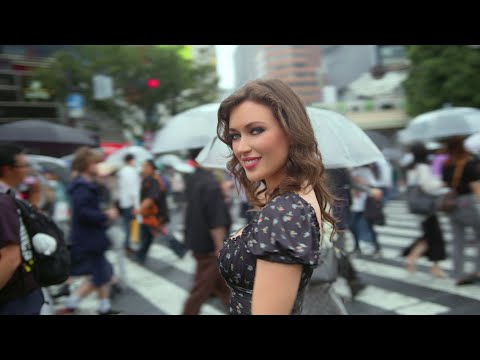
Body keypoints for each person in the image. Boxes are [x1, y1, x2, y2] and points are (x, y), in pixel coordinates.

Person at [216, 79, 339, 315]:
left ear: (291, 132)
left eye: (256, 130)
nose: (241, 147)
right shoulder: (297, 194)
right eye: (235, 136)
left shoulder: (286, 211)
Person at [57, 147, 120, 315]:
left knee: (102, 272)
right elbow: (83, 212)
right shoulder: (81, 186)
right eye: (94, 162)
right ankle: (72, 304)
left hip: (91, 235)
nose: (97, 165)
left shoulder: (85, 184)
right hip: (89, 237)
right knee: (101, 272)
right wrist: (105, 214)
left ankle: (103, 306)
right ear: (86, 164)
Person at [182, 149, 232, 315]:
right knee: (200, 291)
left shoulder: (193, 179)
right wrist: (219, 246)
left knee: (222, 287)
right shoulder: (210, 184)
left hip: (196, 239)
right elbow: (216, 220)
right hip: (209, 246)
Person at [0, 144, 45, 315]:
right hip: (19, 294)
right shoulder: (5, 198)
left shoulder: (7, 197)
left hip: (16, 295)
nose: (27, 170)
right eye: (24, 166)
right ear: (7, 169)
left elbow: (11, 257)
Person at [403, 143, 448, 278]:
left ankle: (413, 258)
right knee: (434, 237)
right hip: (426, 207)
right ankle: (432, 266)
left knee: (429, 236)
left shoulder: (411, 168)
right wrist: (442, 183)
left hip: (419, 207)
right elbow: (427, 186)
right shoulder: (422, 167)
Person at [441, 136, 480, 285]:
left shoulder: (446, 164)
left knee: (458, 240)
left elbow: (445, 184)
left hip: (452, 204)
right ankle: (478, 269)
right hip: (467, 202)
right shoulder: (468, 163)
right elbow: (476, 189)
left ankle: (457, 274)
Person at [116, 154, 140, 254]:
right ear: (131, 160)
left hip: (124, 202)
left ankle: (127, 245)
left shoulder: (121, 172)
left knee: (127, 225)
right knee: (133, 224)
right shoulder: (131, 171)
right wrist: (136, 204)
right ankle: (131, 244)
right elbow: (133, 189)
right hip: (131, 202)